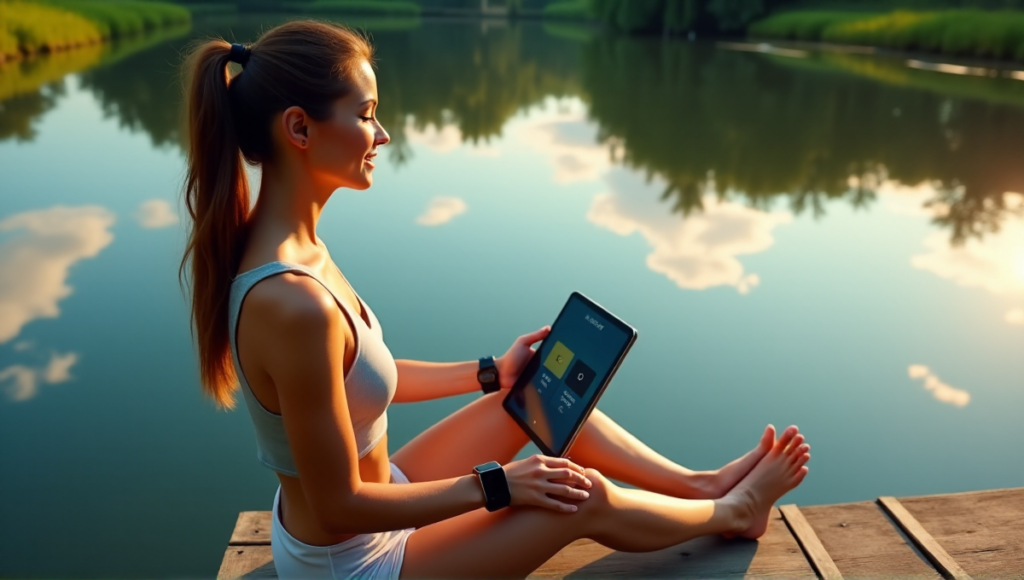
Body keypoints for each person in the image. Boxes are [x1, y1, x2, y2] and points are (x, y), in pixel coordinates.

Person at [180, 20, 810, 580]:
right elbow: (339, 503)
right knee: (575, 497)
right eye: (367, 113)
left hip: (371, 510)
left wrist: (489, 373)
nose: (384, 134)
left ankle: (701, 484)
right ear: (299, 128)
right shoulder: (292, 302)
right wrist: (496, 485)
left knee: (530, 395)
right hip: (356, 559)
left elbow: (358, 380)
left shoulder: (295, 251)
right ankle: (734, 510)